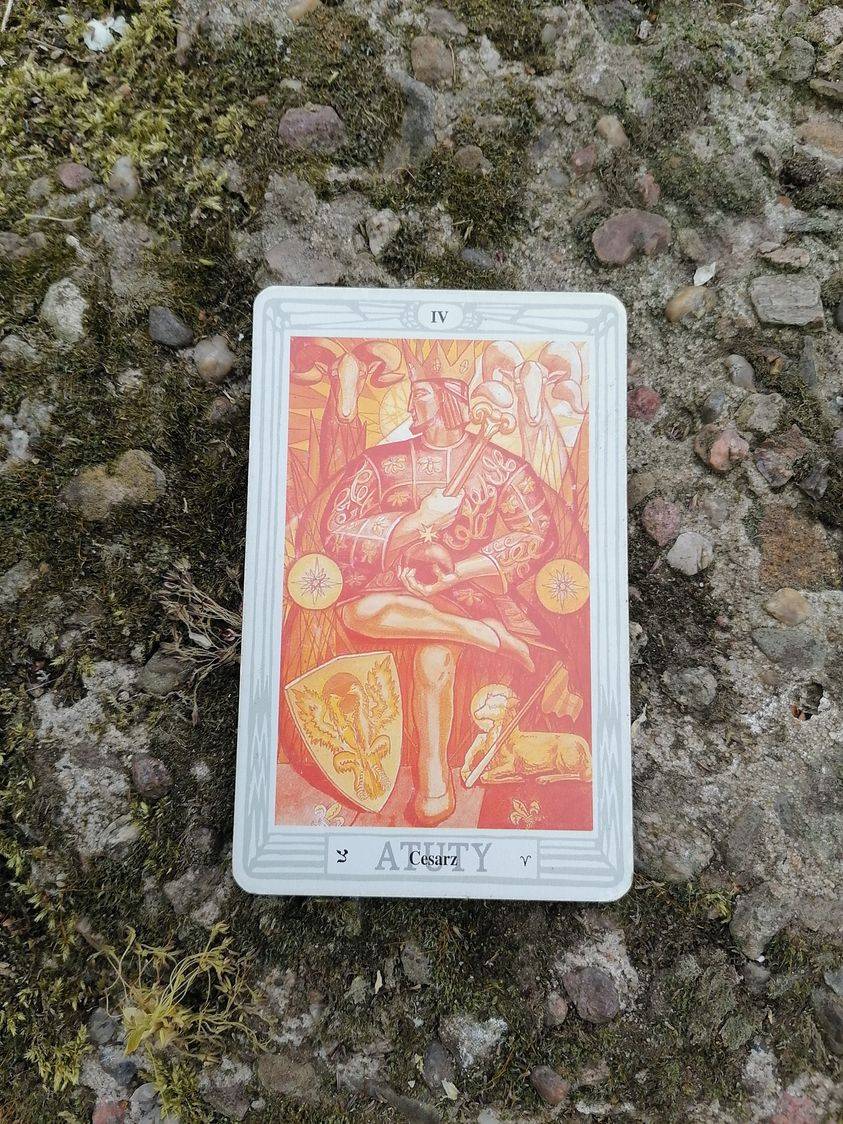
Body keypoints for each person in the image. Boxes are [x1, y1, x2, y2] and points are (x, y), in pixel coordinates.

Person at [320, 355, 557, 825]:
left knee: (434, 659)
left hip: (465, 592)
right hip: (392, 587)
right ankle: (488, 636)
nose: (412, 405)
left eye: (422, 395)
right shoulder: (381, 463)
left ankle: (433, 783)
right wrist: (415, 523)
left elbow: (538, 533)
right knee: (360, 612)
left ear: (451, 399)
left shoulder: (500, 465)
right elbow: (336, 530)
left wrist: (459, 572)